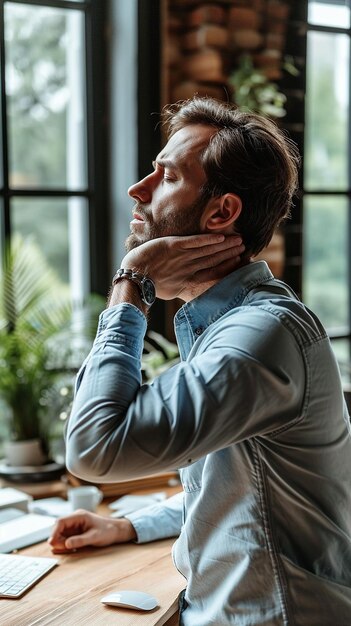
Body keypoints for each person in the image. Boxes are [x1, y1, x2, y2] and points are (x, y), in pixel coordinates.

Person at [49, 97, 351, 625]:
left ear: (221, 212)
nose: (137, 190)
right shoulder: (233, 326)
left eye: (165, 176)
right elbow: (236, 489)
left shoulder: (259, 336)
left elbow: (92, 450)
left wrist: (131, 287)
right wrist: (129, 527)